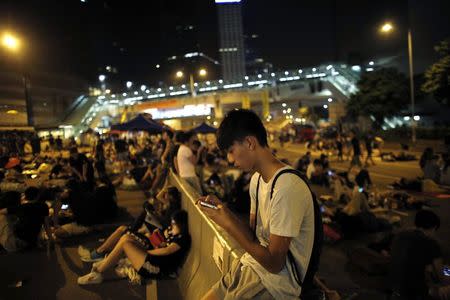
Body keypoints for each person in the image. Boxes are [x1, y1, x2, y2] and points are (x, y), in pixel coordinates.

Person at [197, 109, 317, 299]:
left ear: (250, 143)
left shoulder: (286, 187)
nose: (230, 160)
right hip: (250, 267)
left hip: (276, 286)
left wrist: (227, 224)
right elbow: (253, 238)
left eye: (231, 151)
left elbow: (274, 264)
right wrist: (224, 213)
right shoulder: (257, 180)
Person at [77, 210, 191, 285]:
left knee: (126, 243)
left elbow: (168, 250)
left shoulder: (183, 238)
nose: (171, 226)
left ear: (181, 225)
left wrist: (147, 251)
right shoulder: (174, 233)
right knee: (126, 238)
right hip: (154, 259)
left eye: (174, 224)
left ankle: (98, 272)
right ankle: (102, 265)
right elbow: (164, 244)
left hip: (156, 267)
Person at [389, 210, 449, 300]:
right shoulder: (431, 243)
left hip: (393, 286)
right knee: (447, 273)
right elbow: (440, 274)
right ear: (433, 228)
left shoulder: (399, 236)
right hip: (415, 293)